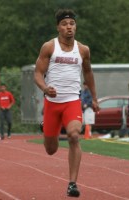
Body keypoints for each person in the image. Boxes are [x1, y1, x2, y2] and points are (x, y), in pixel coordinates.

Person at [34, 9, 99, 197]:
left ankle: (72, 183)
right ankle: (47, 125)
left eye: (71, 23)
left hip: (72, 101)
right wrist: (45, 88)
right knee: (51, 150)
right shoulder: (49, 47)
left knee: (73, 135)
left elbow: (88, 73)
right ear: (58, 27)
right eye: (64, 24)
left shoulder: (83, 50)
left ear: (75, 26)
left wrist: (94, 98)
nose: (68, 27)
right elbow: (38, 73)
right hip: (52, 103)